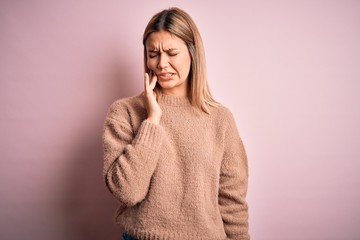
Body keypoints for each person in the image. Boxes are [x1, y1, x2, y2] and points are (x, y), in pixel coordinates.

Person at [102, 7, 250, 240]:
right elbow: (127, 192)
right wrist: (152, 120)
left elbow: (232, 201)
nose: (161, 64)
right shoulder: (124, 112)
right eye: (153, 54)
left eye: (172, 53)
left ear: (193, 54)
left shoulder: (220, 119)